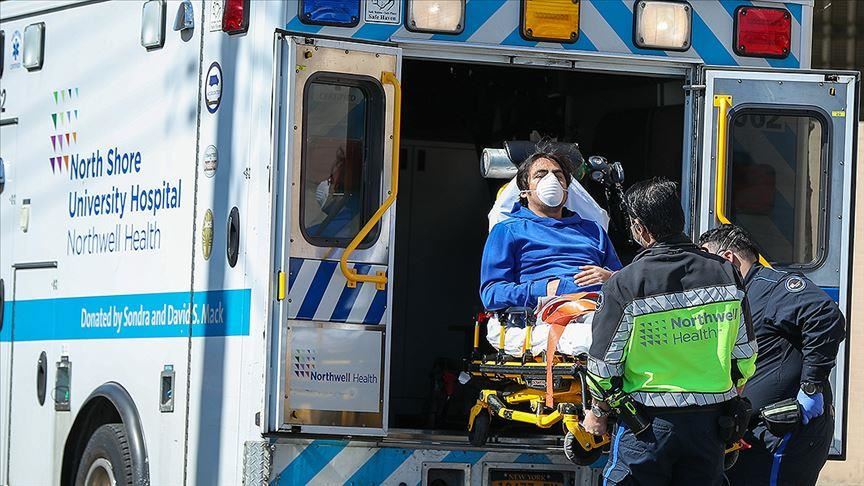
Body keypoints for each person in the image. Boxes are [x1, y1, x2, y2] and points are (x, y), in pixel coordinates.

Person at [583, 178, 758, 486]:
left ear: (640, 229)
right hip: (710, 426)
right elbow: (744, 353)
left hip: (647, 427)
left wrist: (598, 410)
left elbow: (603, 365)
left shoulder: (626, 283)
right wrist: (732, 391)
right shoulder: (725, 273)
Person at [699, 224, 846, 486]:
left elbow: (825, 315)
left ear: (728, 258)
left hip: (783, 430)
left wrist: (811, 387)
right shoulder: (738, 297)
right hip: (752, 432)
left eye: (706, 262)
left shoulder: (771, 288)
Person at [479, 149, 621, 312]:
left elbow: (626, 281)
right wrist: (542, 289)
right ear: (524, 191)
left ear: (566, 189)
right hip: (547, 315)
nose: (551, 180)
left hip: (601, 310)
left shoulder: (594, 230)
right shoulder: (507, 230)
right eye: (540, 175)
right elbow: (491, 294)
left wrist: (610, 277)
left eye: (558, 176)